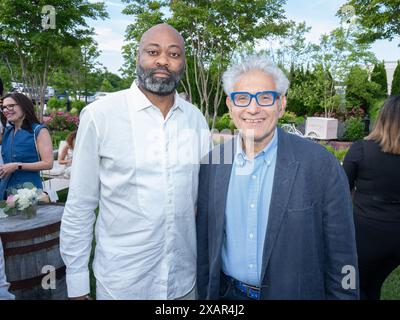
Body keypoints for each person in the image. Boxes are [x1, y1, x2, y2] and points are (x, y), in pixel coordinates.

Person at [60, 23, 211, 300]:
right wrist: (77, 284)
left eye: (174, 54)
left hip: (183, 284)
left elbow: (201, 201)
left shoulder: (195, 119)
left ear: (184, 64)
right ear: (137, 57)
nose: (163, 60)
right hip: (123, 284)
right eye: (153, 51)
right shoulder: (100, 115)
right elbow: (81, 204)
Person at [196, 55, 359, 300]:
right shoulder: (213, 164)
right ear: (230, 106)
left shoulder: (320, 165)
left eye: (265, 98)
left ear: (281, 104)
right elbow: (205, 245)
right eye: (242, 99)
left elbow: (344, 257)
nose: (253, 109)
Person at [343, 95, 400, 300]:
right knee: (373, 285)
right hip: (396, 237)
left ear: (382, 118)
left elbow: (341, 192)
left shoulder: (361, 149)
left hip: (365, 237)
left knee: (348, 287)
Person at [0, 93, 53, 199]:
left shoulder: (38, 130)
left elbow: (48, 163)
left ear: (23, 106)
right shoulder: (7, 132)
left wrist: (17, 166)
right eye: (3, 107)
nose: (6, 110)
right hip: (5, 191)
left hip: (28, 192)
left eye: (11, 106)